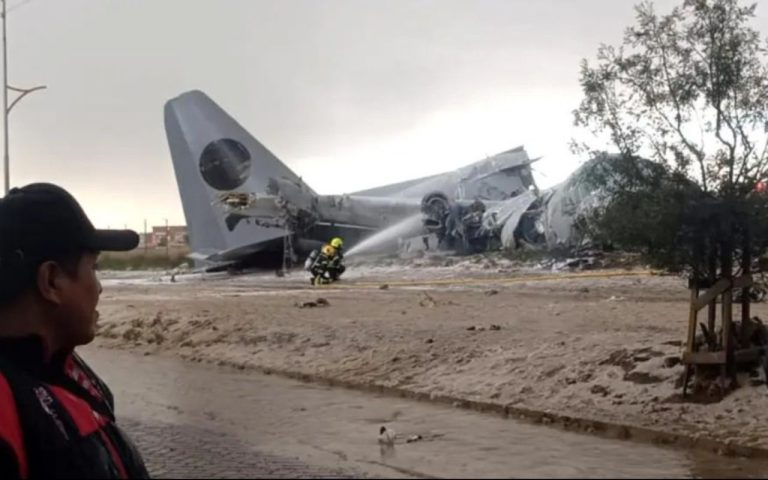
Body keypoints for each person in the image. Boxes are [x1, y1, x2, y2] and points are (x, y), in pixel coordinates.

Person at [0, 183, 149, 479]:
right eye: (93, 268)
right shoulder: (7, 407)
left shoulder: (54, 368)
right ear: (52, 281)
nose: (99, 287)